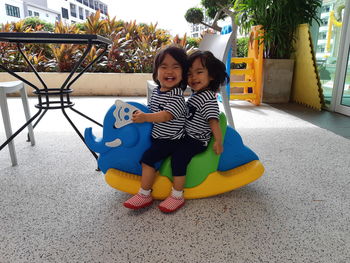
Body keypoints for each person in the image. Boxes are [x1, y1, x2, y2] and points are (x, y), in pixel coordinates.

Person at [154, 50, 228, 212]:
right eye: (189, 74)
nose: (193, 78)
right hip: (186, 135)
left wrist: (218, 141)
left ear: (212, 75)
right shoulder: (196, 95)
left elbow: (213, 121)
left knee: (178, 158)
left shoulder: (208, 97)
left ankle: (177, 195)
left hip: (196, 140)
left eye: (199, 72)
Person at [123, 45, 188, 212]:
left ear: (184, 73)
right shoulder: (158, 91)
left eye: (176, 67)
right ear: (156, 72)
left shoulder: (177, 97)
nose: (169, 72)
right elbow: (150, 109)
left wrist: (145, 118)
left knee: (148, 159)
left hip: (171, 140)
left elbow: (165, 115)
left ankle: (163, 194)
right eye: (164, 67)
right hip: (157, 135)